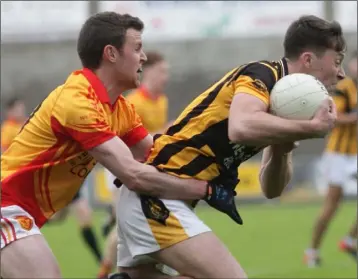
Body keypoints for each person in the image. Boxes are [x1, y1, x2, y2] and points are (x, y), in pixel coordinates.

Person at [0, 12, 240, 279]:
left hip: (24, 212)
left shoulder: (120, 109)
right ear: (111, 54)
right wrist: (206, 189)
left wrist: (219, 159)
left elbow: (158, 157)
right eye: (137, 48)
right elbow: (134, 174)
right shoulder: (78, 101)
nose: (144, 57)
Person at [115, 15, 344, 279]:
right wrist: (312, 128)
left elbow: (271, 189)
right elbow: (240, 127)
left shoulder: (282, 105)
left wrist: (283, 147)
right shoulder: (262, 74)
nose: (341, 73)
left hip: (165, 196)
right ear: (308, 60)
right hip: (155, 192)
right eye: (336, 62)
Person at [97, 50, 173, 279]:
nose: (165, 77)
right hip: (122, 169)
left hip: (145, 170)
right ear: (148, 72)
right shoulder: (133, 102)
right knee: (125, 228)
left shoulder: (162, 101)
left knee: (133, 225)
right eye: (162, 72)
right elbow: (124, 141)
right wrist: (165, 131)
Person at [304, 50, 357, 267]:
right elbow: (333, 117)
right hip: (338, 155)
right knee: (332, 205)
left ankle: (349, 239)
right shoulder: (343, 88)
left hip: (356, 155)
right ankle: (312, 250)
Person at [48, 175, 103, 264]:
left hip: (73, 190)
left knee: (85, 219)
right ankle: (31, 223)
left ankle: (100, 259)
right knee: (58, 218)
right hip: (61, 189)